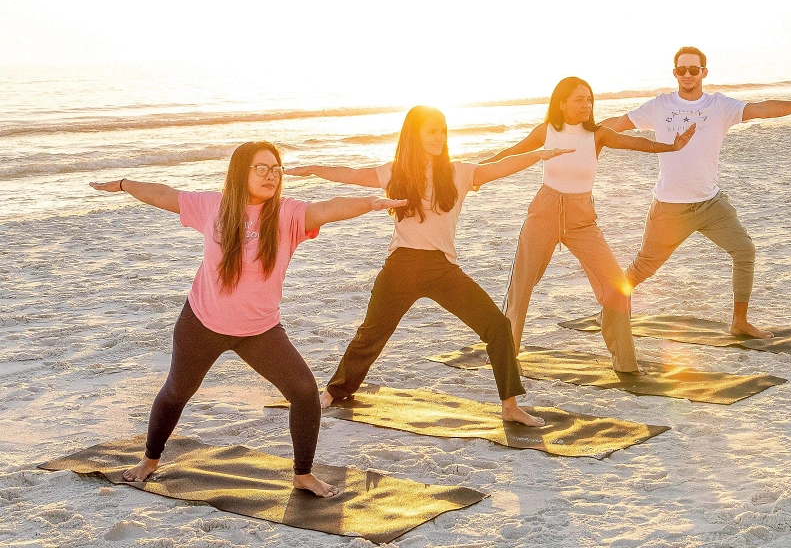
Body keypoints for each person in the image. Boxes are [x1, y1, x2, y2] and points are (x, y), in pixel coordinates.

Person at [89, 141, 405, 497]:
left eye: (276, 169)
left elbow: (327, 208)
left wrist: (370, 203)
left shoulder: (287, 214)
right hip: (202, 323)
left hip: (260, 331)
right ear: (242, 171)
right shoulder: (213, 206)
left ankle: (303, 475)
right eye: (261, 168)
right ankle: (149, 460)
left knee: (304, 394)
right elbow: (164, 194)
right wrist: (123, 184)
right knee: (177, 391)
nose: (271, 175)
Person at [286, 106, 572, 427]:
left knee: (497, 327)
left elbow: (501, 167)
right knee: (371, 334)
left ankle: (510, 405)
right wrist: (312, 168)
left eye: (442, 131)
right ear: (415, 135)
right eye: (431, 131)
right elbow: (351, 173)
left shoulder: (458, 173)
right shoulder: (396, 173)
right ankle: (336, 391)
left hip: (442, 268)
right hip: (402, 266)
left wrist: (540, 155)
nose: (438, 137)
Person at [601, 46, 791, 338]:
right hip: (670, 208)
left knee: (744, 250)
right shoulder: (659, 106)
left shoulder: (720, 106)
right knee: (642, 269)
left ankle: (740, 322)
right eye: (681, 70)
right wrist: (582, 132)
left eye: (693, 69)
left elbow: (762, 109)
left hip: (710, 204)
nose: (687, 74)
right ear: (675, 73)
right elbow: (616, 126)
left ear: (704, 72)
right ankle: (610, 307)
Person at [482, 76, 696, 373]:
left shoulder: (598, 135)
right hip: (543, 213)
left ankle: (625, 363)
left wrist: (671, 147)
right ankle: (508, 353)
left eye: (589, 99)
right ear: (562, 103)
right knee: (521, 288)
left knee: (617, 287)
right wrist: (477, 175)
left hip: (582, 219)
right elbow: (512, 154)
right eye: (579, 99)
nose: (586, 104)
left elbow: (635, 143)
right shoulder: (545, 131)